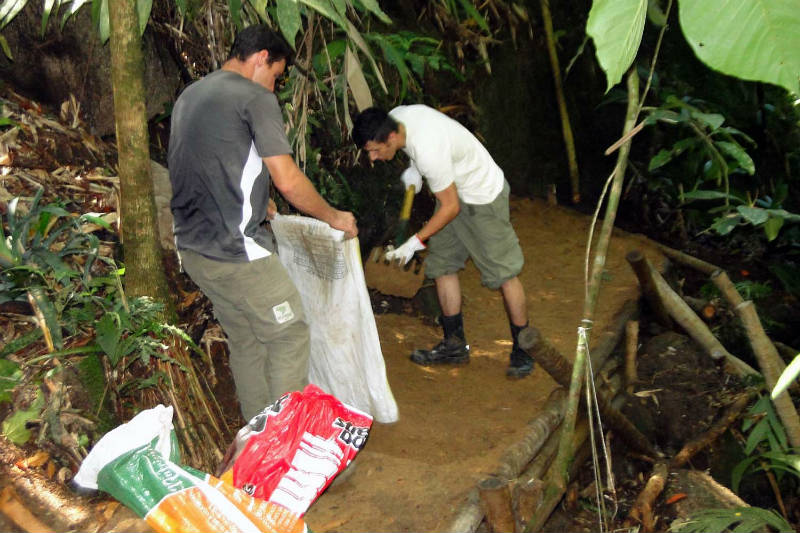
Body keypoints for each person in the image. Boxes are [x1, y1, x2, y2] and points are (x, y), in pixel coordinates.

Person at [168, 25, 358, 421]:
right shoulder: (254, 98)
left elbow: (204, 162)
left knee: (248, 342)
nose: (274, 87)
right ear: (260, 58)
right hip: (239, 255)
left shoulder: (192, 94)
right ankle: (287, 451)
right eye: (276, 75)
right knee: (288, 335)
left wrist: (256, 199)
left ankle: (258, 443)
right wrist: (335, 217)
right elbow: (288, 180)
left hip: (195, 251)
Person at [352, 105, 534, 379]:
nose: (374, 158)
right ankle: (454, 345)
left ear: (390, 138)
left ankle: (523, 349)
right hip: (451, 191)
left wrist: (415, 241)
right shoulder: (398, 117)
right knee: (441, 266)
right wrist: (414, 169)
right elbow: (446, 193)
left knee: (504, 273)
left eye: (375, 150)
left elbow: (451, 208)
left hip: (482, 196)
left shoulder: (428, 150)